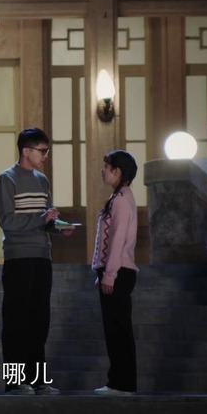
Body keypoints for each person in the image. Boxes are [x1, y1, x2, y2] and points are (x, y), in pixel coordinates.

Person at [0, 128, 72, 395]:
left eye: (47, 150)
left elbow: (45, 219)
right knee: (16, 320)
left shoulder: (42, 180)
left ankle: (37, 380)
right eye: (42, 150)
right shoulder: (6, 178)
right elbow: (6, 220)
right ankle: (15, 382)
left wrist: (59, 227)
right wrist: (41, 218)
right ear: (26, 151)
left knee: (39, 320)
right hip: (18, 257)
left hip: (42, 256)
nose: (46, 155)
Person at [91, 149, 139, 396]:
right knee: (117, 329)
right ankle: (119, 382)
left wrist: (109, 275)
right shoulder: (121, 197)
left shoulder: (121, 199)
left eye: (106, 167)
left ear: (118, 171)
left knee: (117, 330)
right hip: (117, 271)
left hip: (119, 272)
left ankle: (121, 383)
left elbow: (117, 240)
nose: (103, 171)